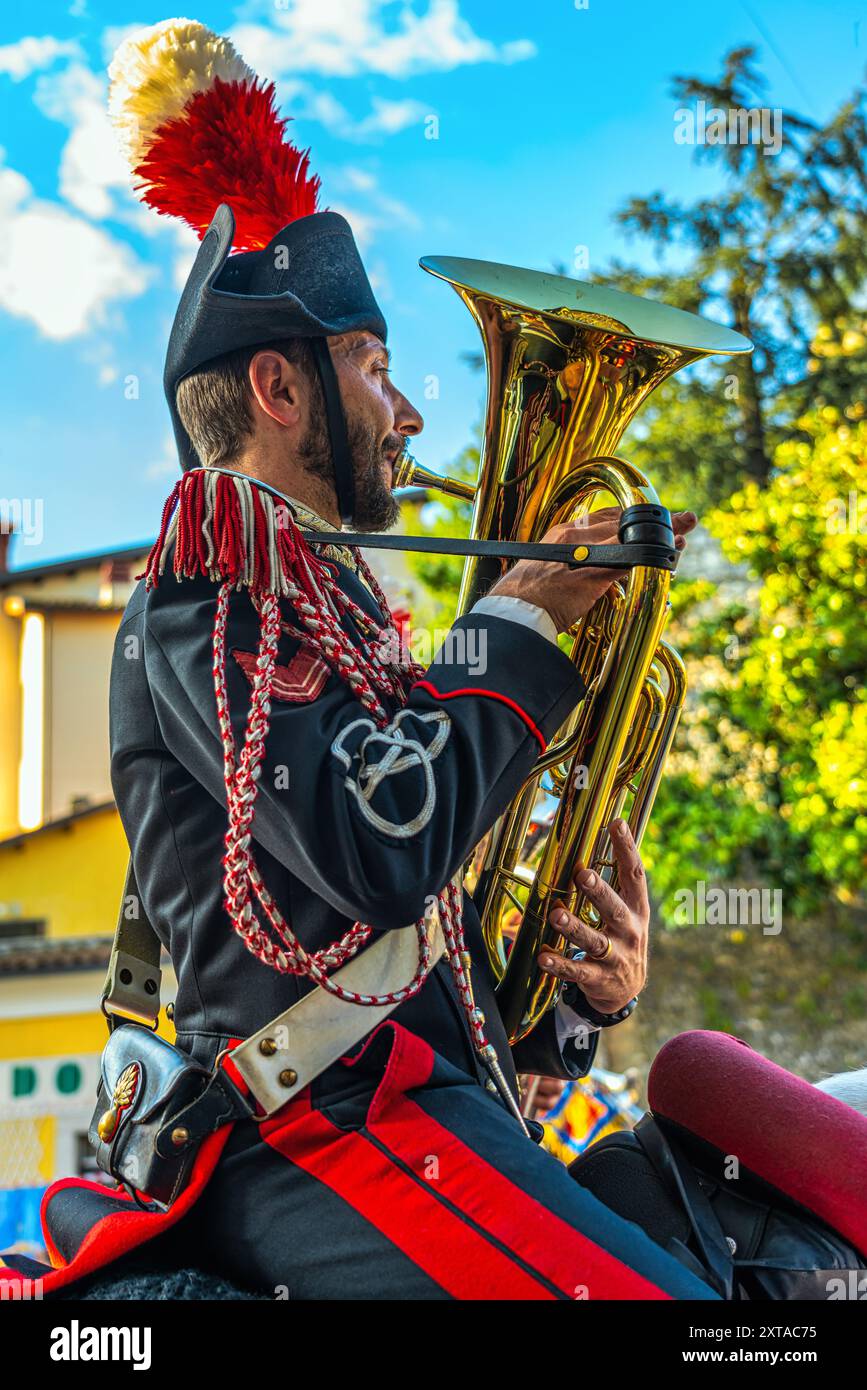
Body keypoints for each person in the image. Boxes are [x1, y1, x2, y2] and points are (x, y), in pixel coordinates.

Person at [2, 20, 710, 1301]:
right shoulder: (213, 577)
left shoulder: (328, 608)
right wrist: (528, 622)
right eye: (377, 367)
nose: (413, 410)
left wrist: (571, 998)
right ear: (280, 389)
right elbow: (377, 851)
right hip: (320, 1129)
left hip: (412, 1101)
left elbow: (417, 928)